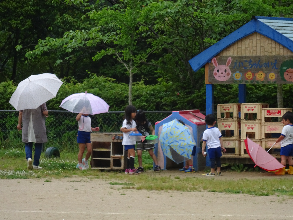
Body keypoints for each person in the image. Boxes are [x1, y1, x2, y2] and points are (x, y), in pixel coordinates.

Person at [17, 103, 48, 170]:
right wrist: (46, 113)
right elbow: (45, 112)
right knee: (39, 144)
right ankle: (35, 164)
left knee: (28, 144)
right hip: (38, 126)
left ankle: (29, 158)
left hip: (27, 126)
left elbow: (20, 113)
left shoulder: (23, 101)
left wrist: (19, 124)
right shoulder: (41, 101)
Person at [120, 105, 137, 175]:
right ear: (129, 113)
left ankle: (127, 168)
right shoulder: (125, 121)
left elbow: (135, 130)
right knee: (133, 153)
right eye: (133, 112)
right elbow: (123, 129)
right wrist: (131, 129)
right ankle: (131, 168)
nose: (135, 114)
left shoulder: (133, 122)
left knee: (129, 155)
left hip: (132, 140)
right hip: (128, 141)